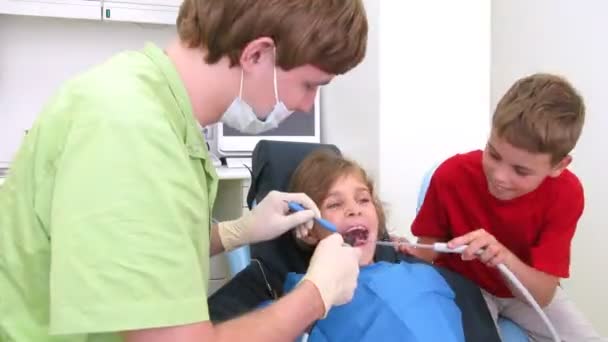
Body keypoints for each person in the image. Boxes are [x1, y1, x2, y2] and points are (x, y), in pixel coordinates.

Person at [0, 1, 368, 341]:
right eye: (310, 85)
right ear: (257, 54)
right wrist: (316, 294)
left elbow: (135, 250)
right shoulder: (129, 127)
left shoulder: (157, 107)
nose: (307, 106)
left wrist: (235, 232)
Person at [209, 149, 501, 342]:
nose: (355, 209)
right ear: (308, 230)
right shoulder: (297, 302)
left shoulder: (428, 277)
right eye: (335, 203)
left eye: (363, 200)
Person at [407, 73, 606, 341]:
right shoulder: (450, 175)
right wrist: (402, 260)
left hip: (523, 289)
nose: (499, 176)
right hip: (464, 286)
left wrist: (505, 259)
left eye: (521, 171)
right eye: (494, 154)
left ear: (559, 166)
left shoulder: (567, 193)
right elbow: (425, 252)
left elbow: (544, 295)